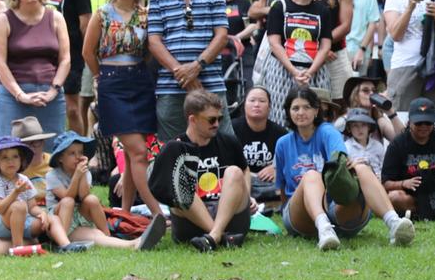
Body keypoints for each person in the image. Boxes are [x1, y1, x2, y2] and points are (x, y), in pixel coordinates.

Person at [272, 87, 414, 250]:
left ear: (316, 110)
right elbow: (282, 188)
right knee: (312, 175)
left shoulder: (327, 131)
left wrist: (349, 163)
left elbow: (339, 159)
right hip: (301, 215)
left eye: (306, 107)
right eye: (295, 108)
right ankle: (324, 229)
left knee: (360, 167)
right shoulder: (283, 143)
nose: (301, 112)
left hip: (336, 208)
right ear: (288, 112)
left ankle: (394, 223)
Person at [80, 0, 162, 216]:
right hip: (111, 83)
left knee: (129, 155)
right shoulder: (102, 14)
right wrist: (100, 77)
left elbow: (151, 50)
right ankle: (158, 213)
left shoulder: (145, 15)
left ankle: (125, 214)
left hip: (140, 81)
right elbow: (87, 52)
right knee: (139, 152)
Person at [147, 0, 230, 143]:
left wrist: (197, 66)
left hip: (210, 80)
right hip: (171, 84)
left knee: (224, 141)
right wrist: (182, 73)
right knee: (172, 146)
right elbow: (154, 41)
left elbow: (221, 35)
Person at [157, 90, 254, 252]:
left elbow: (245, 170)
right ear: (192, 119)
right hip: (191, 220)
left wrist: (246, 195)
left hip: (229, 212)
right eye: (211, 119)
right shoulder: (175, 147)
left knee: (234, 172)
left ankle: (213, 236)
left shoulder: (229, 141)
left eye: (219, 118)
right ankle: (219, 236)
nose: (216, 124)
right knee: (178, 180)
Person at [45, 130, 165, 251]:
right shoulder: (53, 176)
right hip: (60, 222)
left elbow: (83, 196)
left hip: (79, 219)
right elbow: (67, 196)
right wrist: (77, 176)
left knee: (92, 202)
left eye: (80, 152)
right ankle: (63, 244)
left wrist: (81, 175)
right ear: (60, 158)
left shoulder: (83, 171)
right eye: (72, 153)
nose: (78, 157)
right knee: (68, 202)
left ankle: (127, 241)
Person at [0, 0, 68, 138]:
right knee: (11, 152)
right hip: (13, 96)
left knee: (52, 152)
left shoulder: (55, 17)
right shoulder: (3, 20)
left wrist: (53, 91)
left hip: (50, 96)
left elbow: (65, 60)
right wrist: (20, 95)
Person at [257, 0, 335, 124]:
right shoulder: (280, 7)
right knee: (281, 118)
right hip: (282, 70)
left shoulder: (323, 10)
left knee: (314, 119)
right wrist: (293, 71)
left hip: (314, 72)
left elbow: (325, 46)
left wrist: (309, 72)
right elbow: (274, 43)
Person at [381, 97, 435, 218]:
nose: (423, 127)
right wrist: (404, 183)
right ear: (409, 122)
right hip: (413, 196)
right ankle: (431, 209)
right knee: (395, 197)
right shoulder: (397, 144)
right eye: (418, 123)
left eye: (428, 123)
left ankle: (421, 211)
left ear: (434, 123)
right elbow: (386, 183)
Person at [40, 0, 93, 134]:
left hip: (71, 55)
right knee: (50, 105)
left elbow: (85, 23)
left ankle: (80, 149)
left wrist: (82, 53)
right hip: (48, 53)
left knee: (72, 108)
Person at [307, 0, 354, 100]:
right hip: (306, 55)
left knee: (343, 101)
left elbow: (346, 26)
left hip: (336, 54)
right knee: (310, 103)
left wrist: (323, 46)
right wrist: (319, 50)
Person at [79, 0, 113, 125]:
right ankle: (86, 138)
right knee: (84, 95)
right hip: (85, 46)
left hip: (111, 45)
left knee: (106, 94)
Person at [230, 86, 286, 201]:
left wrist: (276, 168)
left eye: (262, 101)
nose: (256, 104)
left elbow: (290, 159)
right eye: (252, 100)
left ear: (269, 107)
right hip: (241, 180)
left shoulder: (280, 133)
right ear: (244, 105)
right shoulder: (231, 129)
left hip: (269, 182)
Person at [340, 0, 381, 79]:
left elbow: (372, 23)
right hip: (337, 50)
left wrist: (362, 50)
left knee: (358, 91)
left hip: (359, 50)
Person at [338, 74, 403, 140]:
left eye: (374, 91)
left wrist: (391, 113)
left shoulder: (379, 121)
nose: (371, 93)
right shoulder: (343, 121)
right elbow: (335, 148)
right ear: (355, 96)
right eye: (366, 90)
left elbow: (404, 142)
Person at [342, 107, 386, 178]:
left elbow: (385, 169)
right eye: (355, 125)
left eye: (363, 125)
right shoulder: (346, 147)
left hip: (378, 182)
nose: (360, 129)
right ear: (349, 128)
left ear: (369, 127)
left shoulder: (378, 146)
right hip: (356, 183)